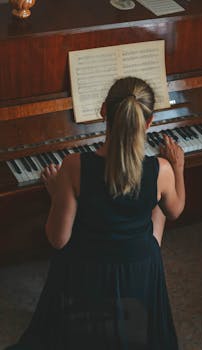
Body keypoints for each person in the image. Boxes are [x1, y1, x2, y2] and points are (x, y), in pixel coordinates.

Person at [6, 76, 185, 350]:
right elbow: (175, 211)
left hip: (89, 267)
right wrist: (177, 168)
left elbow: (58, 239)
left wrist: (59, 195)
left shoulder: (74, 166)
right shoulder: (161, 170)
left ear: (103, 111)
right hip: (139, 266)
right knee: (156, 205)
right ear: (148, 123)